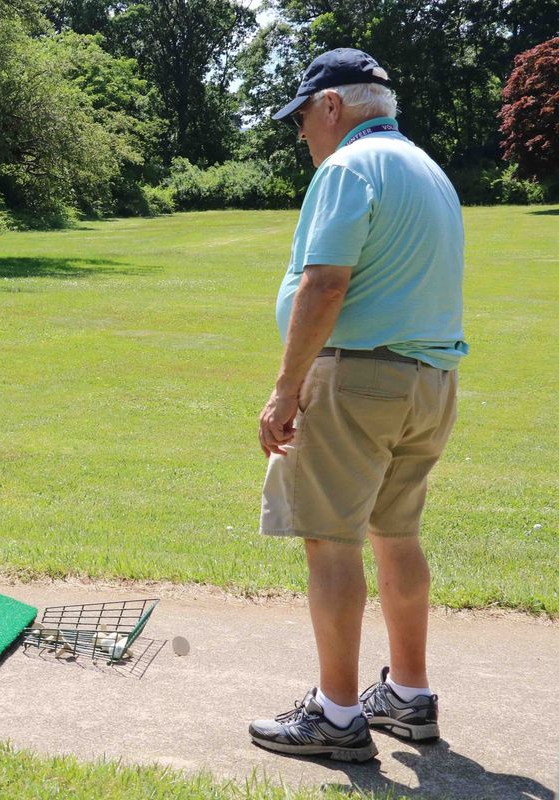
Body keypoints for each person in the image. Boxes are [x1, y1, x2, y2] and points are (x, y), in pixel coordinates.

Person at [248, 49, 467, 762]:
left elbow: (325, 286)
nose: (303, 135)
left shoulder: (348, 167)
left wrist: (286, 389)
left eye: (304, 118)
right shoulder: (429, 170)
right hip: (430, 383)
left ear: (333, 107)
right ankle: (408, 695)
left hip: (359, 382)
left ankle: (338, 717)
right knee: (395, 535)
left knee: (330, 538)